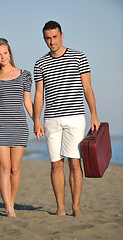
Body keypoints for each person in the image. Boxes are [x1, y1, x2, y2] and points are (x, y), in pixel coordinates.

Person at [34, 20, 100, 217]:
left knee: (74, 162)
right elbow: (39, 94)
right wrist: (36, 120)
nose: (51, 41)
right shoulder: (40, 63)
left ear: (62, 35)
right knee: (56, 164)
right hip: (51, 119)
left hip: (75, 117)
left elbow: (87, 88)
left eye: (54, 37)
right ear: (44, 39)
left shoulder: (79, 57)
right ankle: (60, 209)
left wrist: (94, 114)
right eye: (48, 38)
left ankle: (76, 208)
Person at [0, 38, 33, 217]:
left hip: (19, 126)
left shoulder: (24, 74)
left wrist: (37, 121)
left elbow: (28, 101)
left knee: (15, 169)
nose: (3, 57)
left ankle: (11, 202)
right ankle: (9, 208)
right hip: (0, 127)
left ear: (10, 53)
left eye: (5, 53)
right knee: (5, 168)